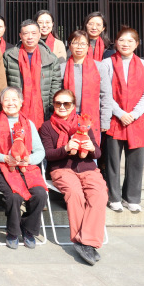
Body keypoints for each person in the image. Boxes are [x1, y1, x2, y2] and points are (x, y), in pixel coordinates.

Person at [38, 89, 106, 265]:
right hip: (62, 169)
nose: (62, 107)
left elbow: (98, 153)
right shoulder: (46, 127)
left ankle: (86, 242)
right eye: (58, 103)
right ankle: (81, 241)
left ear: (73, 106)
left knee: (99, 194)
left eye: (66, 103)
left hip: (88, 169)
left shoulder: (84, 123)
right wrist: (66, 148)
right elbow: (48, 154)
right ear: (53, 105)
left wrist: (91, 148)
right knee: (75, 193)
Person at [0, 87, 48, 249]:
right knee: (14, 196)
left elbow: (40, 151)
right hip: (1, 168)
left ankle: (28, 228)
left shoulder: (28, 123)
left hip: (26, 168)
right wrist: (4, 157)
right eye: (7, 100)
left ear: (21, 102)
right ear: (1, 103)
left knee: (40, 194)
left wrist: (28, 160)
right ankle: (13, 231)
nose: (11, 103)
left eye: (14, 99)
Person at [100, 26, 144, 214]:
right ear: (116, 42)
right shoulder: (107, 63)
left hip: (137, 120)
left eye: (130, 41)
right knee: (112, 161)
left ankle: (132, 198)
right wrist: (120, 113)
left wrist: (134, 113)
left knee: (136, 162)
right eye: (122, 40)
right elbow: (105, 93)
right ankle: (114, 197)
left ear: (136, 44)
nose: (125, 44)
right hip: (115, 119)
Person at [2, 19, 62, 129]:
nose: (30, 37)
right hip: (15, 109)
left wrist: (51, 109)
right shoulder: (9, 56)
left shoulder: (51, 58)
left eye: (34, 33)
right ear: (20, 36)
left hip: (43, 111)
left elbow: (55, 86)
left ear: (39, 35)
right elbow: (3, 83)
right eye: (26, 33)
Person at [60, 30, 113, 144]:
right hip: (66, 116)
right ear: (69, 45)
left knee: (89, 150)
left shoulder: (99, 67)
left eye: (83, 43)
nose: (79, 47)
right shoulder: (62, 68)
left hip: (91, 117)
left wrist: (105, 120)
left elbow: (106, 95)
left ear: (89, 46)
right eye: (75, 43)